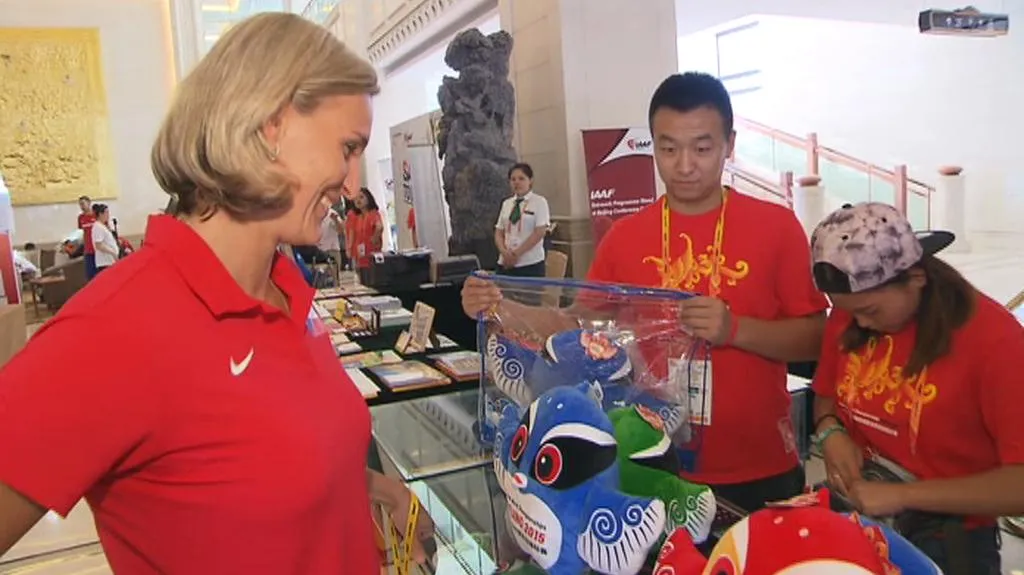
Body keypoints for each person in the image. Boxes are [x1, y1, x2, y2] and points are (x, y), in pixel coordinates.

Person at [0, 13, 431, 574]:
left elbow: (248, 468)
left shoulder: (285, 290)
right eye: (348, 147)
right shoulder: (118, 328)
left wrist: (366, 488)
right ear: (269, 125)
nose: (353, 184)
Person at [462, 72, 827, 511]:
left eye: (703, 148)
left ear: (730, 144)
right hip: (649, 462)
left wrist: (735, 329)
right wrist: (500, 305)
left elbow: (814, 337)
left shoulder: (776, 227)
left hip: (759, 466)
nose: (685, 164)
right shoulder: (626, 236)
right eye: (668, 148)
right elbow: (575, 326)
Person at [809, 202, 1024, 575]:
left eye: (871, 311)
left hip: (951, 538)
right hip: (869, 515)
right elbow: (826, 396)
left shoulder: (995, 342)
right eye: (845, 310)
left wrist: (902, 495)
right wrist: (830, 432)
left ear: (917, 277)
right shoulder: (851, 309)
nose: (858, 321)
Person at [495, 162, 550, 277]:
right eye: (513, 179)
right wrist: (504, 253)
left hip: (529, 263)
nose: (517, 182)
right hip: (505, 262)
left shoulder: (539, 202)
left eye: (521, 178)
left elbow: (539, 232)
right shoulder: (507, 203)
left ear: (530, 180)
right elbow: (499, 231)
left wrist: (516, 254)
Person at [346, 187, 383, 284]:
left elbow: (379, 227)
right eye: (356, 198)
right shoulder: (357, 217)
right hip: (360, 256)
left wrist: (374, 239)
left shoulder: (373, 214)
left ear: (369, 199)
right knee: (362, 283)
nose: (358, 200)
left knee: (372, 283)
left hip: (372, 255)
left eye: (361, 197)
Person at [89, 204, 119, 274]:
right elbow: (98, 245)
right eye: (106, 212)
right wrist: (113, 253)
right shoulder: (97, 227)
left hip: (110, 261)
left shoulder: (103, 226)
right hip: (104, 262)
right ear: (100, 214)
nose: (108, 215)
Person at [318, 208, 344, 281]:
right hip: (316, 252)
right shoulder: (310, 213)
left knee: (334, 281)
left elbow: (341, 231)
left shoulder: (332, 213)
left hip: (332, 251)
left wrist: (336, 220)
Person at [76, 195, 97, 280]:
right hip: (88, 250)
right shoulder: (81, 218)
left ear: (89, 203)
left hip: (97, 249)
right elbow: (81, 231)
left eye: (83, 204)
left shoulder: (96, 215)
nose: (82, 206)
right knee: (90, 275)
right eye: (80, 205)